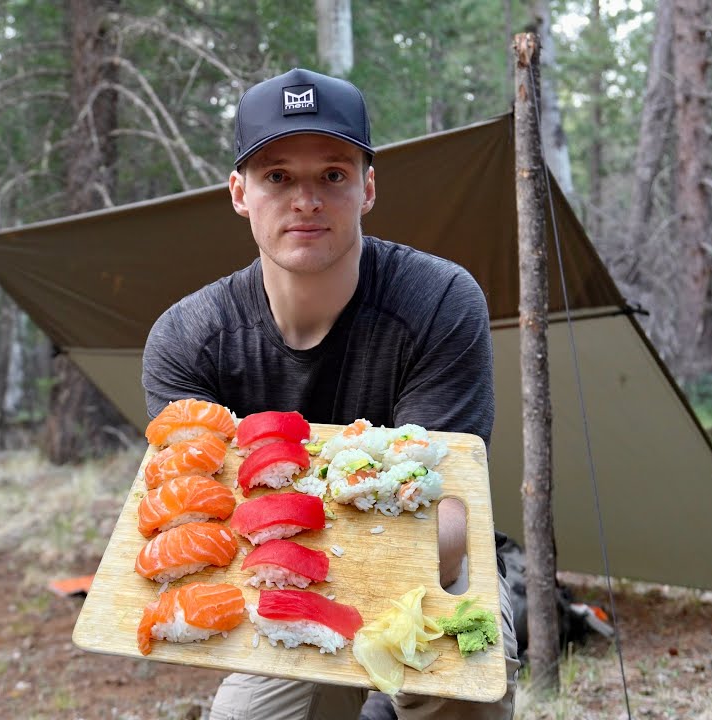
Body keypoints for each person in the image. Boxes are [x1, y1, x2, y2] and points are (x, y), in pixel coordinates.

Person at [142, 67, 520, 720]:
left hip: (435, 568)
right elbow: (202, 529)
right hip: (283, 587)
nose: (306, 200)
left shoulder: (440, 300)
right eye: (278, 176)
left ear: (367, 188)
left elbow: (450, 522)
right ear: (239, 192)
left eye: (333, 176)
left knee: (469, 678)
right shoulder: (189, 338)